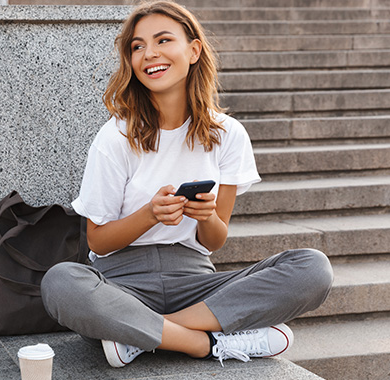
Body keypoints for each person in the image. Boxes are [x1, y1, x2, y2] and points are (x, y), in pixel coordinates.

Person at [41, 0, 333, 368]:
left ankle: (141, 336)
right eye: (137, 46)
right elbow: (97, 240)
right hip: (121, 286)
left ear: (193, 50)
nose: (150, 54)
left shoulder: (228, 135)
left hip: (195, 283)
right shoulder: (115, 137)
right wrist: (149, 215)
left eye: (163, 40)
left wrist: (207, 216)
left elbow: (214, 240)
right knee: (60, 282)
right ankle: (204, 343)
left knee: (313, 268)